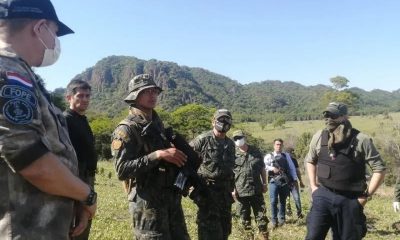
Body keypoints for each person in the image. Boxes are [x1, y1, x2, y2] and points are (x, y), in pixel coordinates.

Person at [0, 0, 97, 239]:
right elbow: (30, 160)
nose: (56, 41)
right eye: (55, 32)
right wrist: (87, 195)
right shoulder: (9, 75)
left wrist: (73, 195)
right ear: (40, 27)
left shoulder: (22, 75)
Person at [111, 74, 190, 240]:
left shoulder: (157, 124)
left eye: (154, 91)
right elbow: (122, 170)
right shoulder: (126, 129)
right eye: (146, 91)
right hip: (147, 205)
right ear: (135, 96)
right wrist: (158, 155)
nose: (152, 95)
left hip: (170, 201)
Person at [305, 102, 386, 240]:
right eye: (327, 115)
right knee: (313, 236)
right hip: (323, 196)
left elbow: (379, 169)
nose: (329, 119)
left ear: (344, 116)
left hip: (349, 200)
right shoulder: (319, 136)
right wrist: (313, 187)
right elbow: (310, 160)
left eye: (333, 115)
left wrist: (365, 197)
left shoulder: (361, 140)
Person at [190, 109, 235, 240]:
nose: (224, 123)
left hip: (225, 194)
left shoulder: (230, 144)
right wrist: (191, 186)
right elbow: (185, 159)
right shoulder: (202, 140)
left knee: (225, 230)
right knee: (208, 231)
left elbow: (231, 169)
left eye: (227, 120)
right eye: (221, 120)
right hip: (207, 193)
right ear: (213, 121)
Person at [64, 80, 98, 240]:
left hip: (87, 179)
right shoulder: (65, 120)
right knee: (73, 229)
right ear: (69, 97)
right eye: (80, 95)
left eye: (87, 96)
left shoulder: (82, 120)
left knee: (83, 227)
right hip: (73, 180)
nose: (85, 99)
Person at [231, 130, 269, 240]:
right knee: (244, 219)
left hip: (256, 190)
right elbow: (230, 173)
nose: (238, 140)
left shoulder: (255, 151)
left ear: (244, 137)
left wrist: (265, 183)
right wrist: (233, 189)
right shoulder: (232, 154)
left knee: (261, 217)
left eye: (240, 137)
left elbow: (262, 168)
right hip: (240, 192)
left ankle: (264, 237)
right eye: (235, 138)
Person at [264, 138, 298, 228]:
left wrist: (294, 179)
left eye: (280, 145)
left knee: (283, 201)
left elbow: (292, 168)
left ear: (282, 146)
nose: (278, 146)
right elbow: (264, 166)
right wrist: (272, 168)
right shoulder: (268, 156)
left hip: (284, 181)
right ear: (274, 145)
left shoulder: (286, 156)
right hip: (273, 181)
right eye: (277, 144)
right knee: (273, 201)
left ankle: (282, 219)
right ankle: (274, 220)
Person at [285, 147, 305, 219]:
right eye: (292, 152)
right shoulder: (283, 160)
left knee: (296, 198)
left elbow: (297, 171)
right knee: (287, 198)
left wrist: (301, 181)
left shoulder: (294, 160)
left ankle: (299, 213)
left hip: (294, 181)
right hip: (286, 182)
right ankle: (289, 212)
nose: (293, 154)